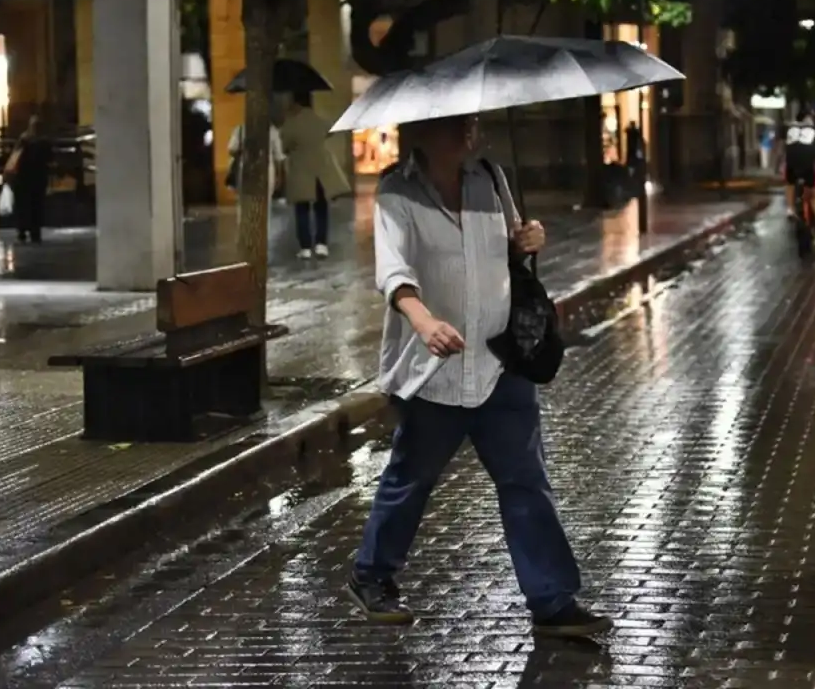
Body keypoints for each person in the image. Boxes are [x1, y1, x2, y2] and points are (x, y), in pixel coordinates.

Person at [347, 114, 612, 639]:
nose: (468, 132)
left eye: (471, 123)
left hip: (499, 361)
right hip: (436, 369)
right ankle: (372, 575)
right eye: (454, 124)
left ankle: (552, 600)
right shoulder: (397, 192)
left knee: (525, 481)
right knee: (412, 478)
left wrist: (527, 239)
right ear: (422, 130)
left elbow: (508, 251)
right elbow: (392, 271)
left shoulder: (489, 178)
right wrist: (423, 323)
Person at [279, 91, 351, 258]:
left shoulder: (291, 123)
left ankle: (305, 247)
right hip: (321, 171)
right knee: (321, 208)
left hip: (301, 172)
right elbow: (331, 130)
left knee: (302, 208)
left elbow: (284, 146)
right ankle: (321, 244)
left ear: (296, 103)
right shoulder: (319, 120)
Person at [5, 114, 52, 244]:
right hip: (38, 179)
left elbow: (15, 157)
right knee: (36, 206)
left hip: (23, 178)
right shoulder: (44, 141)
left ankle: (22, 230)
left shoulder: (23, 139)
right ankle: (35, 232)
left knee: (23, 205)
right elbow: (50, 159)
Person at [784, 112, 815, 246]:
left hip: (791, 163)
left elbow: (783, 147)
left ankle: (789, 208)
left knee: (789, 183)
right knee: (814, 195)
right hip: (808, 166)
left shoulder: (790, 128)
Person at [227, 119, 285, 210]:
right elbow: (278, 156)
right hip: (266, 172)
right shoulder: (272, 130)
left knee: (245, 204)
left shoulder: (241, 129)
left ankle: (247, 223)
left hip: (245, 171)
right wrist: (279, 176)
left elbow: (231, 149)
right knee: (265, 205)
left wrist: (244, 151)